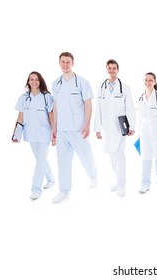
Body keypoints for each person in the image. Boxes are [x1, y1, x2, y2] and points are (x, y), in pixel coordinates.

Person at [51, 52, 97, 203]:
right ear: (59, 63)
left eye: (68, 62)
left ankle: (93, 176)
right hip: (62, 130)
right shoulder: (56, 83)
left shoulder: (82, 82)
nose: (65, 65)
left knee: (85, 155)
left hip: (78, 128)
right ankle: (64, 190)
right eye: (62, 62)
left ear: (73, 63)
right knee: (62, 160)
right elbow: (55, 107)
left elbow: (88, 105)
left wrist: (87, 124)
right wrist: (54, 127)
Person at [94, 59, 136, 197]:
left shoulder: (125, 87)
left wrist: (132, 126)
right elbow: (98, 109)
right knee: (111, 155)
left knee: (120, 154)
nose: (112, 70)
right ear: (106, 69)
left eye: (114, 68)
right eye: (109, 68)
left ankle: (121, 185)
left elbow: (130, 108)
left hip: (120, 126)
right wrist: (97, 128)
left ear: (118, 70)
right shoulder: (101, 87)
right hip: (107, 127)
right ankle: (118, 180)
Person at [13, 71, 56, 200]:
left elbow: (52, 116)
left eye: (36, 79)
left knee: (40, 160)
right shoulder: (23, 97)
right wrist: (16, 135)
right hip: (30, 133)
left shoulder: (47, 97)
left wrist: (54, 133)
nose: (34, 82)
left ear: (40, 81)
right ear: (28, 82)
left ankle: (36, 189)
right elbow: (20, 116)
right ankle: (51, 178)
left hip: (44, 134)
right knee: (40, 159)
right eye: (31, 79)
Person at [136, 72, 157, 194]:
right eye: (146, 80)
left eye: (150, 80)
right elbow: (139, 116)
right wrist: (137, 132)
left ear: (155, 82)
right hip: (144, 129)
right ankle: (145, 183)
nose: (148, 82)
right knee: (145, 155)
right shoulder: (141, 97)